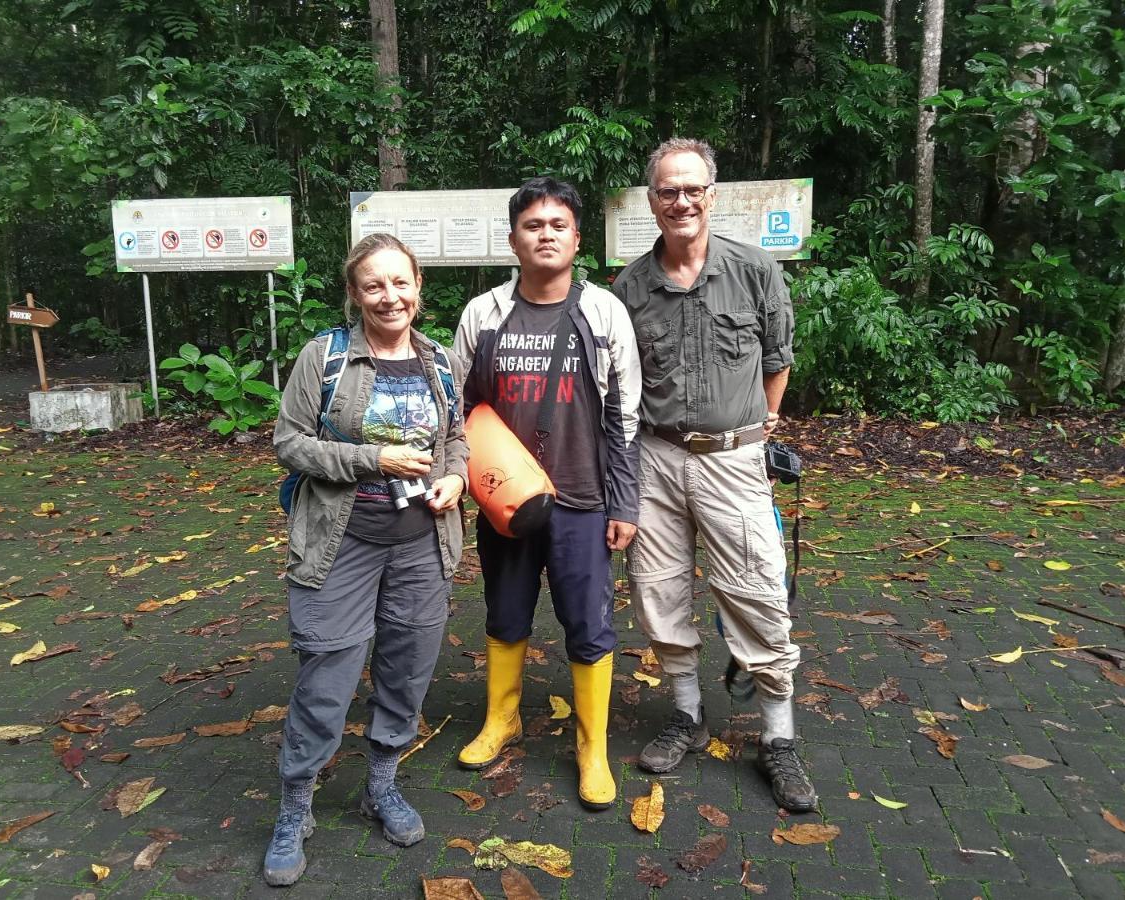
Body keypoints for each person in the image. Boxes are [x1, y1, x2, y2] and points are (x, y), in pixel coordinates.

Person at [610, 138, 817, 812]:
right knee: (658, 592)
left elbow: (777, 359)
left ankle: (779, 740)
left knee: (757, 590)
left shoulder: (756, 271)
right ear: (652, 201)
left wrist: (761, 430)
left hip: (734, 458)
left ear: (712, 194)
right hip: (657, 460)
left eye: (692, 188)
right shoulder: (630, 287)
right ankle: (688, 714)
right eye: (668, 190)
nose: (681, 200)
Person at [264, 234, 469, 886]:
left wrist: (457, 479)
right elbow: (289, 442)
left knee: (406, 674)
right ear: (355, 293)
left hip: (421, 547)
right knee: (326, 680)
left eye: (400, 283)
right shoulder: (324, 358)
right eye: (374, 285)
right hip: (340, 545)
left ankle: (382, 784)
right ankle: (296, 806)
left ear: (418, 288)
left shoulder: (438, 362)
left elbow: (457, 438)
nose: (390, 296)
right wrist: (369, 459)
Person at [453, 177, 641, 810]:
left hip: (582, 500)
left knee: (588, 627)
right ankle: (500, 720)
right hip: (505, 502)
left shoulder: (603, 312)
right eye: (532, 226)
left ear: (577, 237)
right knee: (504, 615)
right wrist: (465, 484)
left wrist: (625, 501)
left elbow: (624, 415)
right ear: (513, 239)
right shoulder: (483, 313)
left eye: (557, 225)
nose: (545, 235)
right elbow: (462, 410)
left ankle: (593, 750)